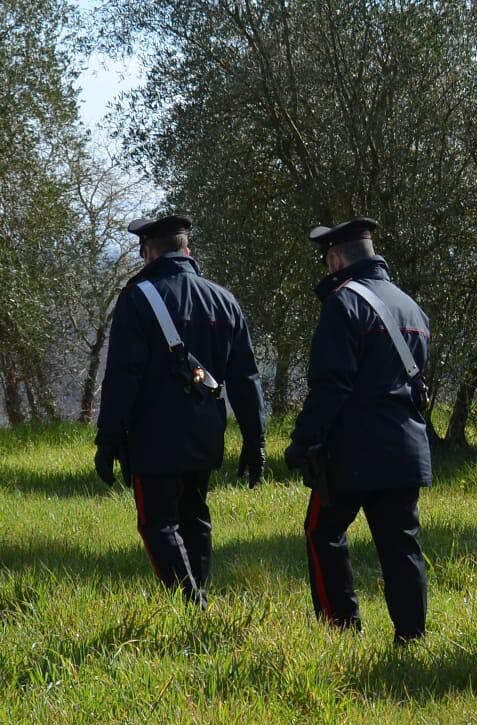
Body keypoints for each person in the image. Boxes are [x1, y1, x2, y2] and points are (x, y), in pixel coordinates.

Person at [94, 214, 267, 609]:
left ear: (147, 252)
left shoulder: (138, 298)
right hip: (207, 431)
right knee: (195, 515)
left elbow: (122, 376)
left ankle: (191, 604)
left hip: (154, 434)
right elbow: (247, 378)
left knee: (157, 523)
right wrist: (255, 439)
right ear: (187, 250)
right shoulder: (224, 300)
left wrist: (108, 437)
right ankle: (198, 596)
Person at [283, 217, 432, 644]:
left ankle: (341, 629)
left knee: (322, 532)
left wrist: (302, 442)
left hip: (353, 452)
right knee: (401, 545)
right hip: (405, 445)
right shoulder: (410, 306)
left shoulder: (344, 303)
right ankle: (411, 638)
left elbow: (330, 387)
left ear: (335, 258)